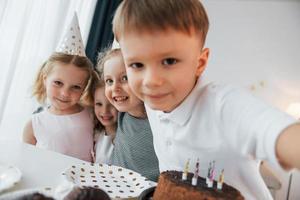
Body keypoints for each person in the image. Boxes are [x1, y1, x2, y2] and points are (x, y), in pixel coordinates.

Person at [112, 0, 300, 199]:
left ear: (200, 63)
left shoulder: (224, 106)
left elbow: (282, 135)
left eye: (169, 61)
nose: (151, 81)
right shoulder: (153, 103)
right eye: (137, 65)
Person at [23, 13, 96, 162]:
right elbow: (26, 162)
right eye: (58, 83)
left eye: (75, 87)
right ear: (45, 79)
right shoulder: (34, 124)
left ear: (84, 88)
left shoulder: (92, 116)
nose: (65, 93)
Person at [96, 48, 160, 182]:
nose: (115, 88)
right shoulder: (120, 113)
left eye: (125, 78)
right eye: (109, 81)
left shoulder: (160, 120)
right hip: (114, 187)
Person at [91, 77, 118, 164]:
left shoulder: (123, 139)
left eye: (111, 104)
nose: (105, 111)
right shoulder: (96, 133)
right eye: (99, 104)